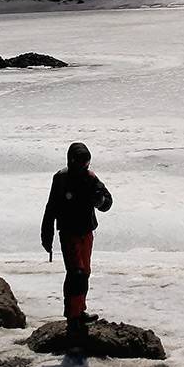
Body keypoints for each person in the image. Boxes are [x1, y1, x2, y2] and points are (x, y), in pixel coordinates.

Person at [40, 142, 112, 333]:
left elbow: (107, 201)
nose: (84, 165)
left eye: (87, 162)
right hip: (68, 232)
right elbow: (51, 208)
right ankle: (72, 317)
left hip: (86, 232)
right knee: (76, 273)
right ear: (72, 160)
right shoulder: (61, 178)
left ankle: (80, 311)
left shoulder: (91, 178)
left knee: (84, 273)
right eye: (81, 162)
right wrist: (47, 235)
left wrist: (100, 201)